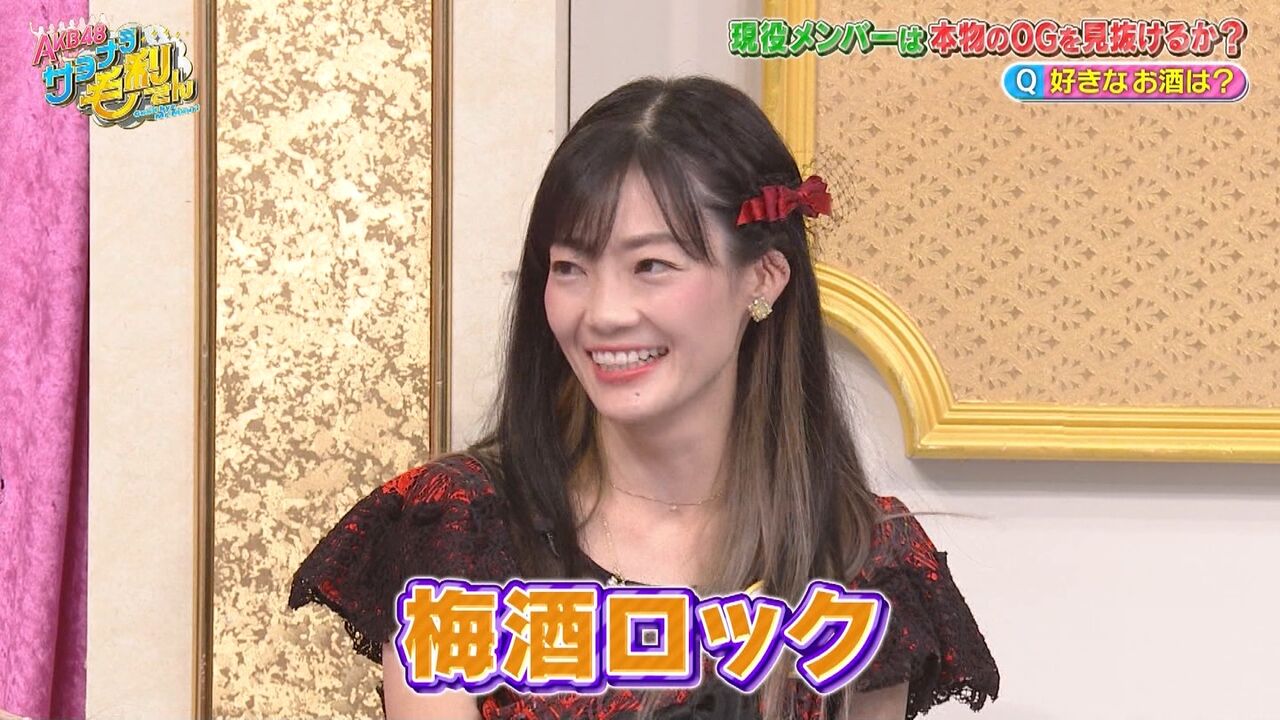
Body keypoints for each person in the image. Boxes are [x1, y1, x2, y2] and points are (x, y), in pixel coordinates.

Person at [289, 75, 999, 719]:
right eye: (570, 266)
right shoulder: (459, 526)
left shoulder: (860, 557)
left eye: (651, 265)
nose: (602, 314)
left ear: (763, 278)